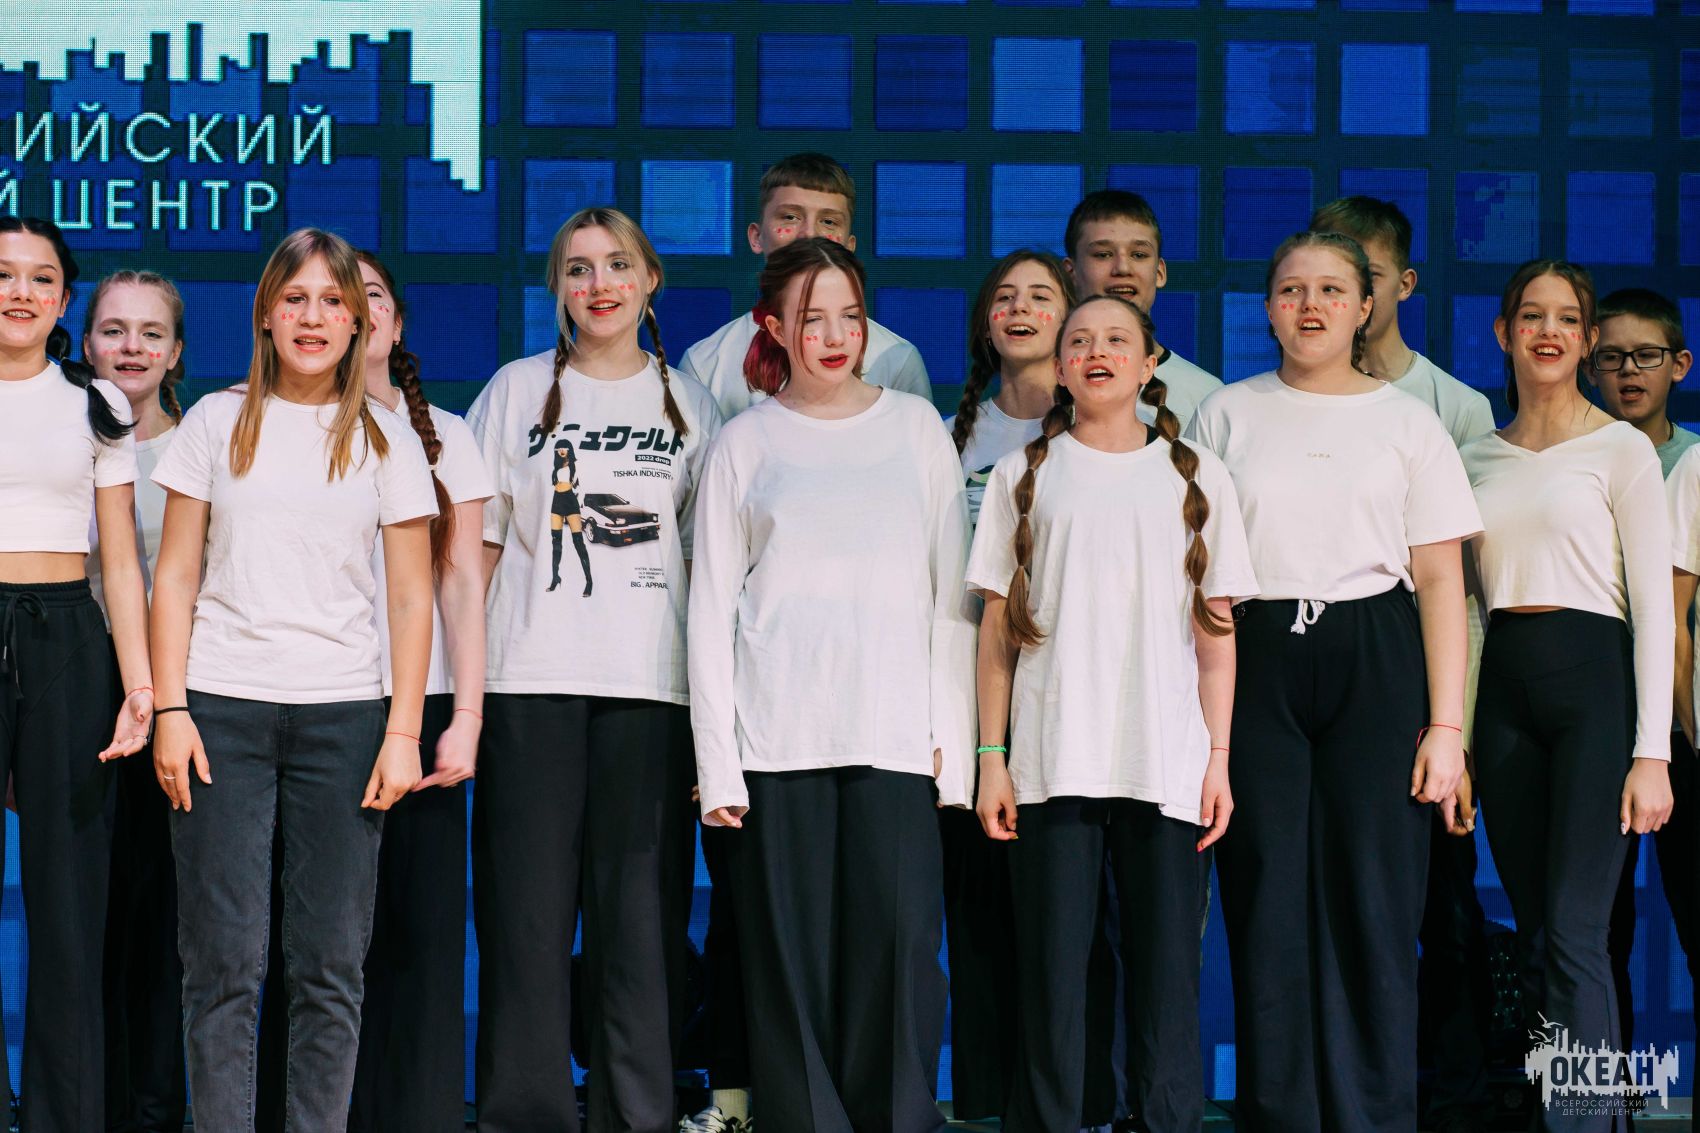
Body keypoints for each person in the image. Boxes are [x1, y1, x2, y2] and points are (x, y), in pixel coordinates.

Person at [1186, 230, 1480, 1133]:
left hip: (1374, 650)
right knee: (1266, 892)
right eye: (1290, 290)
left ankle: (1373, 1112)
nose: (1309, 305)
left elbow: (1441, 581)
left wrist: (1447, 727)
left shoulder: (1409, 421)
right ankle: (1280, 1111)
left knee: (1374, 897)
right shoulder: (1225, 415)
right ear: (1267, 309)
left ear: (1365, 307)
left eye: (1329, 290)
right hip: (1257, 651)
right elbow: (1195, 573)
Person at [149, 227, 438, 1132]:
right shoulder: (213, 422)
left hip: (345, 716)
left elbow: (411, 598)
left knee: (329, 965)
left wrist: (402, 731)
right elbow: (174, 577)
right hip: (220, 710)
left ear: (359, 321)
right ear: (266, 314)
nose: (313, 317)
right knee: (222, 963)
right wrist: (170, 707)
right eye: (295, 297)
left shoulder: (387, 437)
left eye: (332, 300)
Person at [688, 237, 974, 1133]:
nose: (837, 335)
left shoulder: (916, 428)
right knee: (788, 964)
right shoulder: (744, 440)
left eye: (851, 315)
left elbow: (950, 596)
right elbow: (710, 611)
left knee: (898, 951)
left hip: (896, 737)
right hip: (777, 740)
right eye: (813, 318)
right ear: (774, 326)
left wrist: (953, 745)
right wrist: (719, 761)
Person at [969, 294, 1256, 1133]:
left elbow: (1217, 638)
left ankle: (1164, 1119)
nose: (1098, 353)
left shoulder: (1196, 474)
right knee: (1053, 973)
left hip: (1163, 761)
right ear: (1061, 366)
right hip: (1052, 761)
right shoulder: (1023, 474)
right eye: (1081, 341)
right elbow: (997, 633)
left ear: (1149, 361)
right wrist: (993, 756)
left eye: (1118, 340)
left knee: (1167, 973)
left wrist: (1217, 759)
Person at [467, 207, 720, 1133]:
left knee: (641, 925)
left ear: (650, 280)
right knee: (526, 919)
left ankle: (635, 1114)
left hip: (652, 692)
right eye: (578, 269)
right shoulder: (513, 389)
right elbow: (477, 551)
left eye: (618, 265)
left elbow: (708, 565)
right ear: (557, 288)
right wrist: (462, 696)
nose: (599, 284)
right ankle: (525, 1114)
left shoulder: (693, 404)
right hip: (527, 684)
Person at [1461, 261, 1674, 1133]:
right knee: (1538, 933)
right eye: (1531, 316)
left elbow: (1655, 607)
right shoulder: (1473, 456)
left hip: (1593, 685)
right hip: (1503, 693)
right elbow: (1466, 613)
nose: (1547, 331)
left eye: (1566, 319)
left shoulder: (1621, 449)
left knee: (1578, 931)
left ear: (1586, 341)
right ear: (1504, 331)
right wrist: (1457, 738)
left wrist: (1651, 752)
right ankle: (1580, 1117)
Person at [1310, 194, 1497, 1133]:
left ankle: (1446, 1098)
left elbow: (1458, 583)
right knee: (1333, 902)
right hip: (1330, 694)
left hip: (1429, 696)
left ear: (1400, 284)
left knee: (1439, 910)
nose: (1338, 296)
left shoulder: (1451, 407)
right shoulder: (1280, 396)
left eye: (1365, 277)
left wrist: (1456, 726)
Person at [0, 216, 153, 1132]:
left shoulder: (99, 404)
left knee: (67, 904)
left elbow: (121, 562)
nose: (18, 292)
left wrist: (141, 687)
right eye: (2, 274)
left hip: (67, 638)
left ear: (63, 300)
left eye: (39, 278)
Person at [347, 251, 494, 1133]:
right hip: (315, 703)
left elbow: (463, 585)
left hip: (425, 702)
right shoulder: (272, 424)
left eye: (370, 295)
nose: (354, 311)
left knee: (423, 931)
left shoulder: (447, 434)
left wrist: (466, 716)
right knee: (320, 940)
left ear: (396, 322)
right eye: (334, 295)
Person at [932, 249, 1073, 1120]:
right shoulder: (944, 435)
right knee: (978, 908)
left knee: (1066, 918)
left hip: (1067, 696)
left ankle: (1074, 1097)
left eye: (1041, 296)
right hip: (969, 697)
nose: (1020, 308)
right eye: (1005, 297)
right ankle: (986, 1099)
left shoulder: (1106, 426)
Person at [82, 269, 190, 1133]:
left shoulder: (205, 448)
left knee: (165, 926)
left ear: (176, 351)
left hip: (181, 707)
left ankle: (153, 1112)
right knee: (87, 923)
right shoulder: (57, 441)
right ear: (86, 342)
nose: (131, 347)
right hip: (79, 701)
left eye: (151, 332)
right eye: (114, 330)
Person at [1588, 287, 1699, 1062]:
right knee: (1597, 931)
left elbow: (1678, 621)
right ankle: (1606, 1104)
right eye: (1613, 357)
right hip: (1593, 718)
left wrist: (1678, 732)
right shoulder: (1574, 458)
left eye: (1646, 356)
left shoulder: (1689, 464)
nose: (1629, 371)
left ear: (1679, 364)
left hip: (1678, 728)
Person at [675, 151, 932, 421]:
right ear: (756, 237)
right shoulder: (705, 364)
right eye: (790, 217)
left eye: (828, 221)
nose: (809, 234)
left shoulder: (898, 361)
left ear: (849, 246)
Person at [1310, 196, 1495, 447]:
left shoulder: (1462, 410)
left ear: (1405, 284)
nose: (1352, 292)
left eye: (1369, 275)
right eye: (1334, 278)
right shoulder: (1287, 395)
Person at [1062, 188, 1220, 428]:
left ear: (1159, 272)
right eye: (1103, 254)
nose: (1123, 268)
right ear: (1070, 272)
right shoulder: (1041, 387)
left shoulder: (1206, 396)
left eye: (1138, 254)